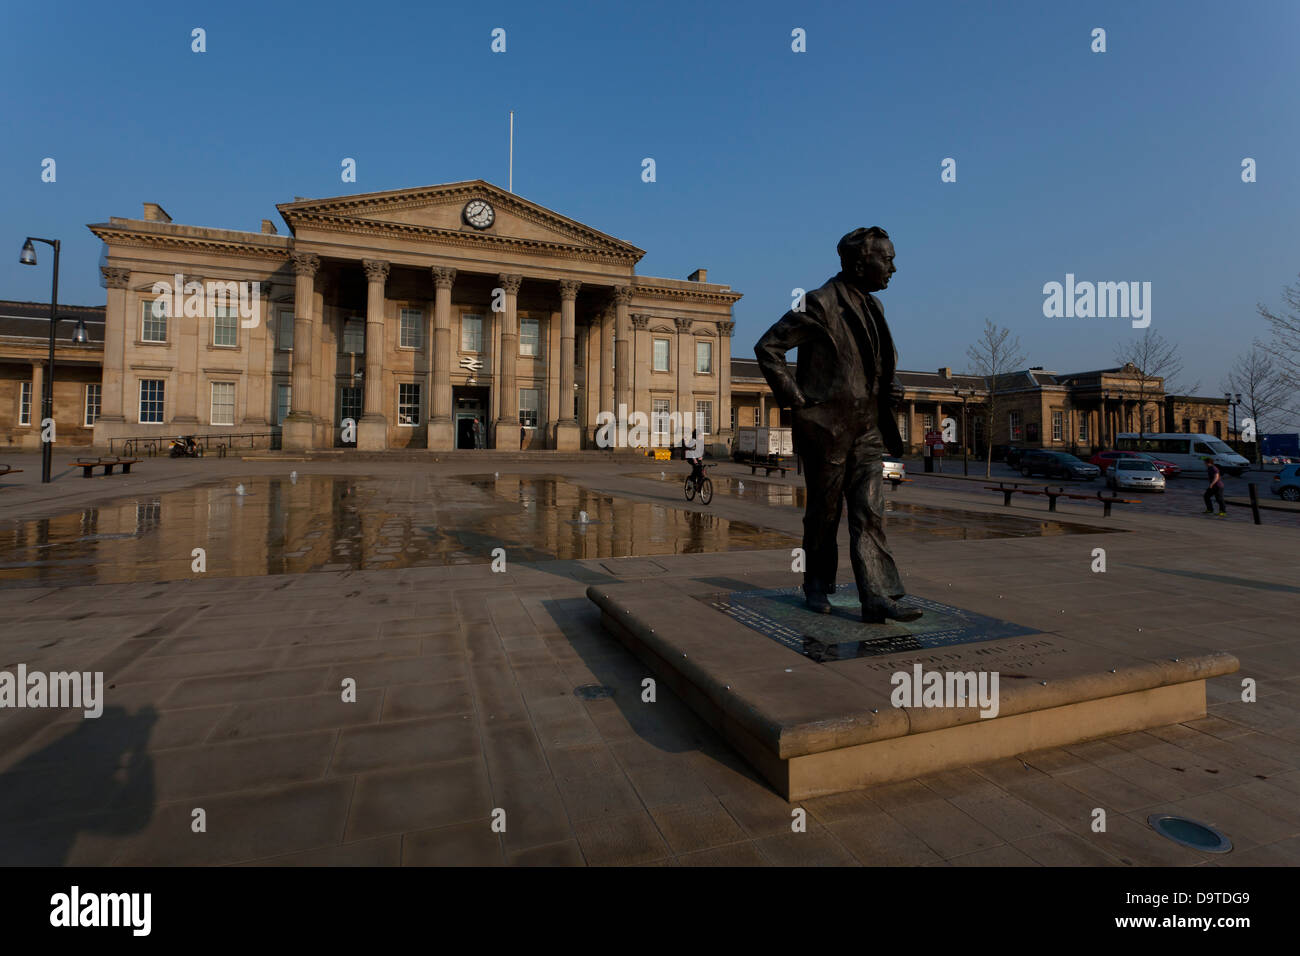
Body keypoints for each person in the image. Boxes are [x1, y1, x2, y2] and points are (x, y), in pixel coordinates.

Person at [755, 226, 922, 623]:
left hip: (867, 428)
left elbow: (873, 368)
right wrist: (798, 402)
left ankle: (878, 595)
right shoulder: (819, 302)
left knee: (870, 511)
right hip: (826, 428)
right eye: (888, 259)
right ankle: (816, 584)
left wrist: (889, 388)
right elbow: (768, 348)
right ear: (861, 262)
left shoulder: (874, 308)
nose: (894, 268)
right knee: (824, 513)